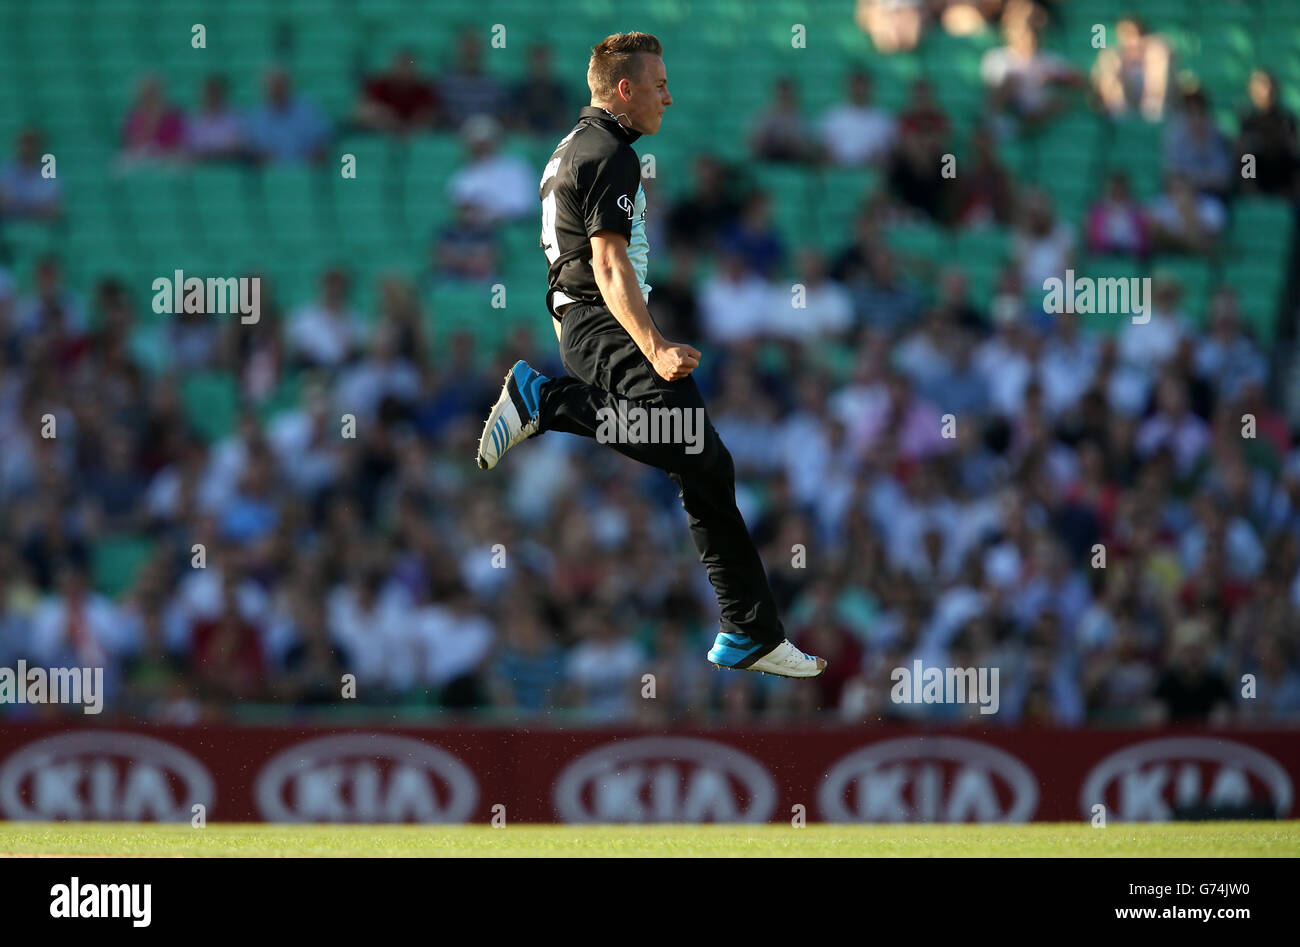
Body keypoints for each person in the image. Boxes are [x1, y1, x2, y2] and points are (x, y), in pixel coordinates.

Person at [473, 31, 825, 679]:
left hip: (586, 323)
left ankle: (748, 628)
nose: (671, 96)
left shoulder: (572, 148)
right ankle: (543, 400)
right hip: (604, 322)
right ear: (625, 90)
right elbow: (606, 263)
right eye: (659, 86)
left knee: (702, 461)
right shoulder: (609, 151)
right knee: (698, 451)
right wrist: (654, 343)